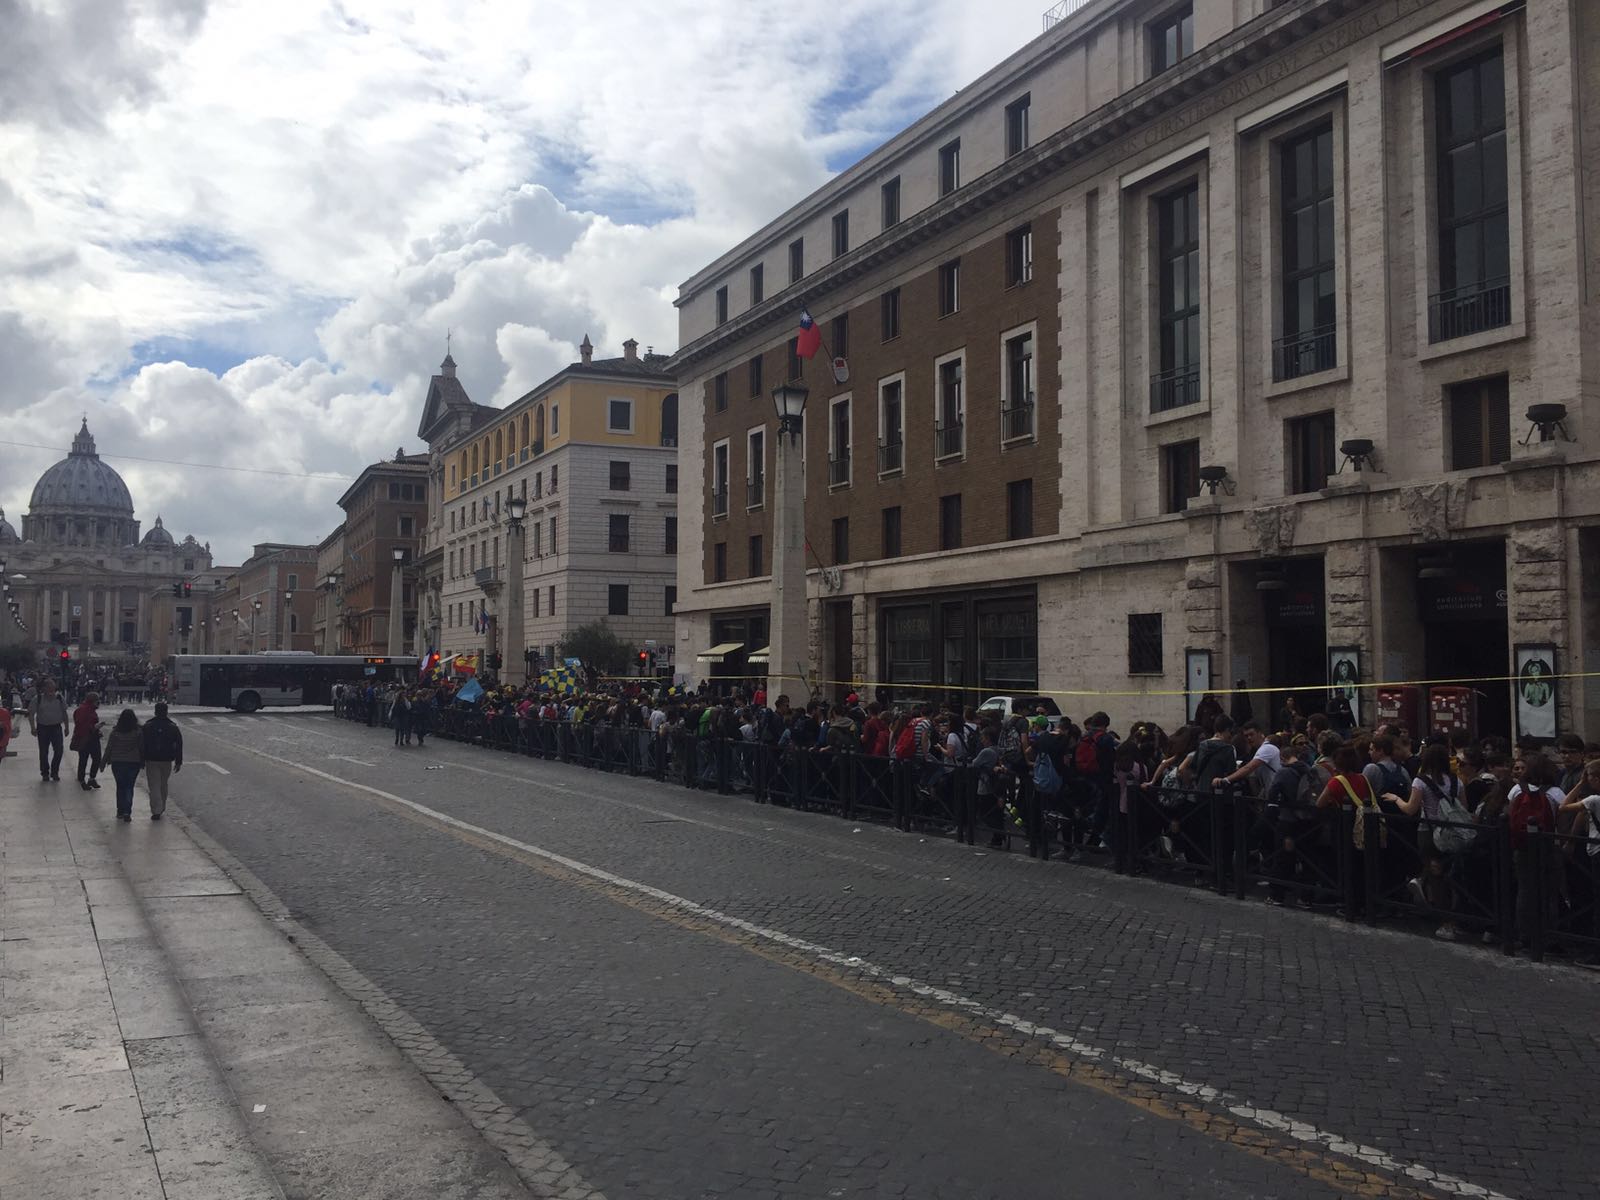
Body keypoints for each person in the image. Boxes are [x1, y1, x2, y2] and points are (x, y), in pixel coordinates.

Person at [140, 702, 183, 820]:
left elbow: (142, 745)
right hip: (167, 759)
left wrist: (141, 759)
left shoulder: (147, 726)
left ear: (155, 711)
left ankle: (156, 810)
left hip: (151, 759)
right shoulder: (173, 727)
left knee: (154, 785)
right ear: (166, 711)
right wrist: (178, 761)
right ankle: (162, 806)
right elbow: (179, 745)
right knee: (163, 784)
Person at [102, 709, 144, 823]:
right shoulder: (138, 731)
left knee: (120, 786)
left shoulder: (115, 732)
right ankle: (127, 811)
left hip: (117, 761)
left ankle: (120, 810)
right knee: (129, 787)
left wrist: (103, 762)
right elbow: (141, 747)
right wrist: (142, 761)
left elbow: (109, 747)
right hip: (133, 761)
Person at [27, 677, 68, 782]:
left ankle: (55, 772)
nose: (51, 690)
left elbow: (64, 713)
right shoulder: (38, 699)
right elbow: (31, 714)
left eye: (53, 688)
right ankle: (45, 772)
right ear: (43, 689)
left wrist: (66, 727)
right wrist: (33, 728)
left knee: (59, 750)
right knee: (43, 752)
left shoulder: (59, 698)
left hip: (56, 727)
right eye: (49, 688)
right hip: (43, 728)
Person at [70, 692, 104, 790]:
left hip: (92, 737)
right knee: (84, 759)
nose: (98, 703)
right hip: (84, 738)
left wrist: (97, 730)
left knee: (96, 758)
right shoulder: (83, 710)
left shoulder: (91, 710)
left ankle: (91, 778)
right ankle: (82, 780)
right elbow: (81, 725)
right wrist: (94, 727)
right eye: (97, 701)